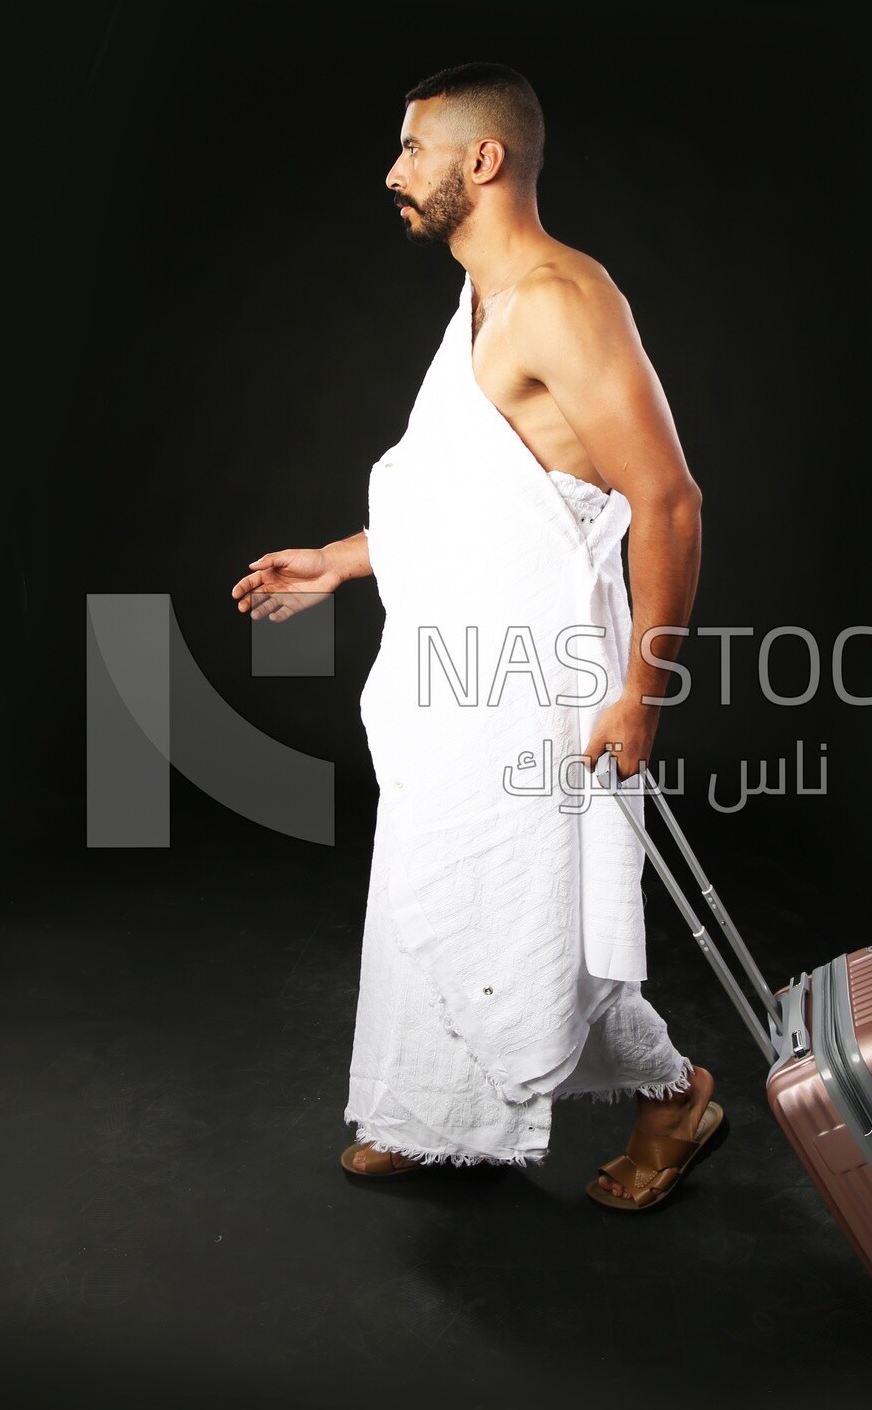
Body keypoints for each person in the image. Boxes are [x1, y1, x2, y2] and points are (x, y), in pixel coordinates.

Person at [230, 63, 719, 1210]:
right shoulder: (484, 303)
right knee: (439, 888)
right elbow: (476, 498)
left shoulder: (559, 298)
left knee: (530, 912)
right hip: (453, 684)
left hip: (540, 682)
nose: (393, 173)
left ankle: (675, 1095)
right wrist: (342, 562)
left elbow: (671, 501)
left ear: (482, 160)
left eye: (411, 150)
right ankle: (430, 1110)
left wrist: (645, 693)